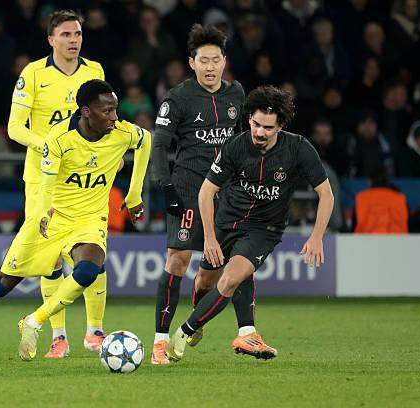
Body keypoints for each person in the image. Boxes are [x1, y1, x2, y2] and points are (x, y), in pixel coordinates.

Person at [0, 80, 150, 371]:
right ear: (86, 111)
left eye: (115, 109)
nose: (114, 117)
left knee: (89, 269)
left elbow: (146, 140)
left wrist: (134, 194)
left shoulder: (122, 132)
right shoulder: (59, 138)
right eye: (107, 111)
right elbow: (46, 183)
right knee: (2, 284)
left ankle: (35, 321)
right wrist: (44, 213)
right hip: (52, 218)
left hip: (88, 220)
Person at [166, 85, 334, 362]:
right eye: (256, 124)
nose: (259, 132)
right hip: (226, 221)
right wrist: (209, 238)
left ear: (280, 126)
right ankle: (209, 319)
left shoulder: (298, 148)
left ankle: (183, 333)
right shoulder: (235, 146)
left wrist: (317, 237)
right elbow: (206, 192)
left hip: (264, 228)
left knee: (232, 277)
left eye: (268, 128)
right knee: (204, 282)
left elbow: (326, 194)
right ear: (249, 119)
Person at [151, 24, 267, 365]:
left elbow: (247, 140)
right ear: (192, 63)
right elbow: (159, 146)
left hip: (228, 191)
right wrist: (166, 188)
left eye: (216, 60)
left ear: (224, 61)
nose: (211, 67)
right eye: (204, 60)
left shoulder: (236, 94)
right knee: (178, 259)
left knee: (227, 266)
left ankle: (232, 327)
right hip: (188, 188)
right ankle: (159, 341)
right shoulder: (177, 98)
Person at [6, 10, 108, 358]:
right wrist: (48, 145)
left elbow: (105, 118)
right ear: (51, 40)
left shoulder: (94, 71)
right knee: (49, 259)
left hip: (84, 178)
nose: (73, 40)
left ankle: (95, 331)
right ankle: (58, 335)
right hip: (43, 179)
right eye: (65, 34)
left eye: (77, 33)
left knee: (93, 249)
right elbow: (14, 128)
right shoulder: (33, 73)